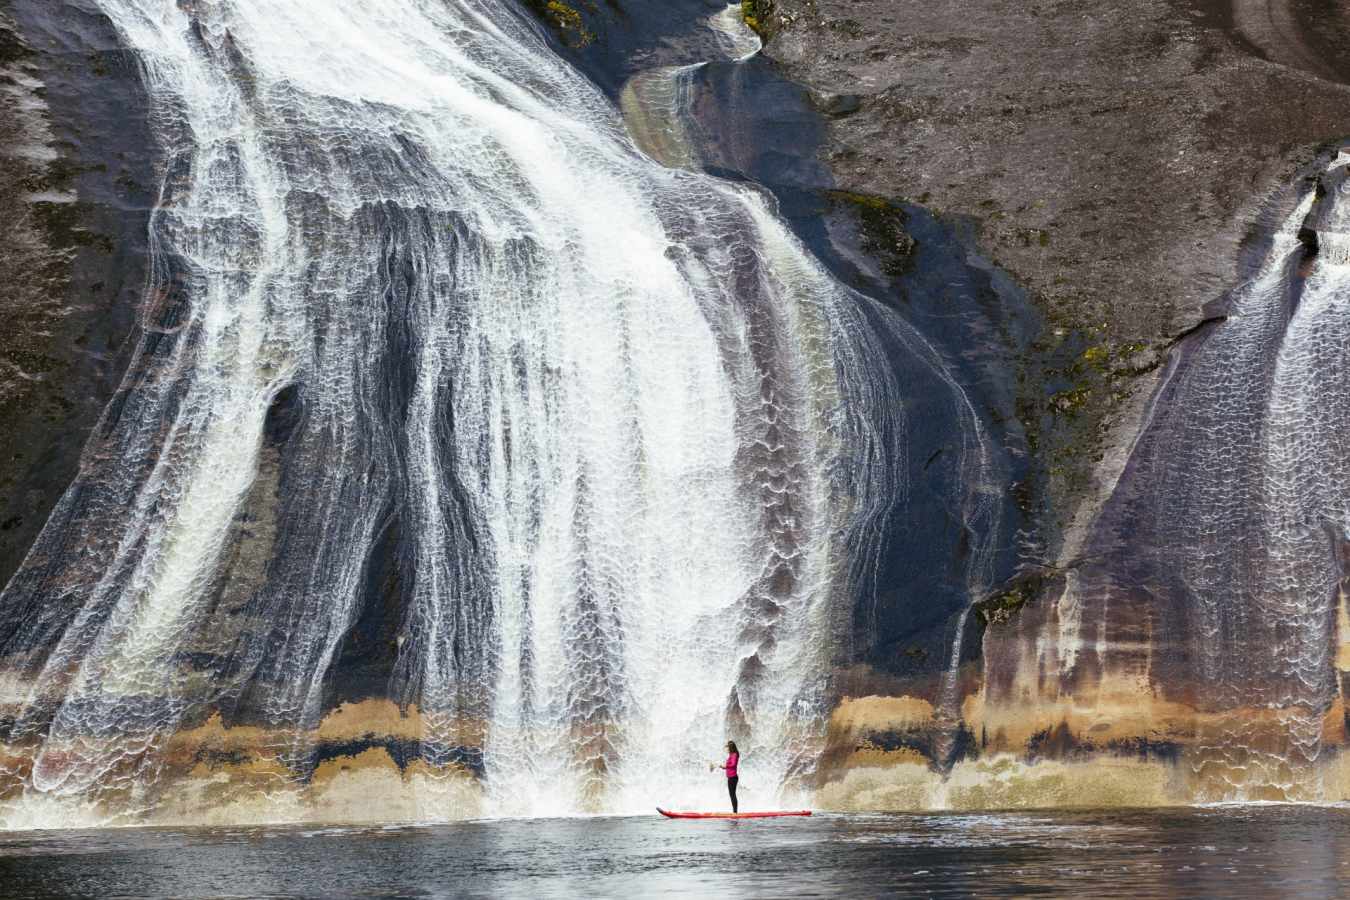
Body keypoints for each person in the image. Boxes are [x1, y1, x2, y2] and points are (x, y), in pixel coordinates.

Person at [716, 741, 740, 813]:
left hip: (733, 777)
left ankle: (735, 812)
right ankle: (735, 811)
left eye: (728, 748)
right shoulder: (731, 755)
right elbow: (730, 765)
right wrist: (724, 767)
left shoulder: (734, 755)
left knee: (732, 795)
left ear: (731, 748)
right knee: (732, 794)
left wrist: (725, 766)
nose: (727, 749)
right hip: (730, 777)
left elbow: (733, 764)